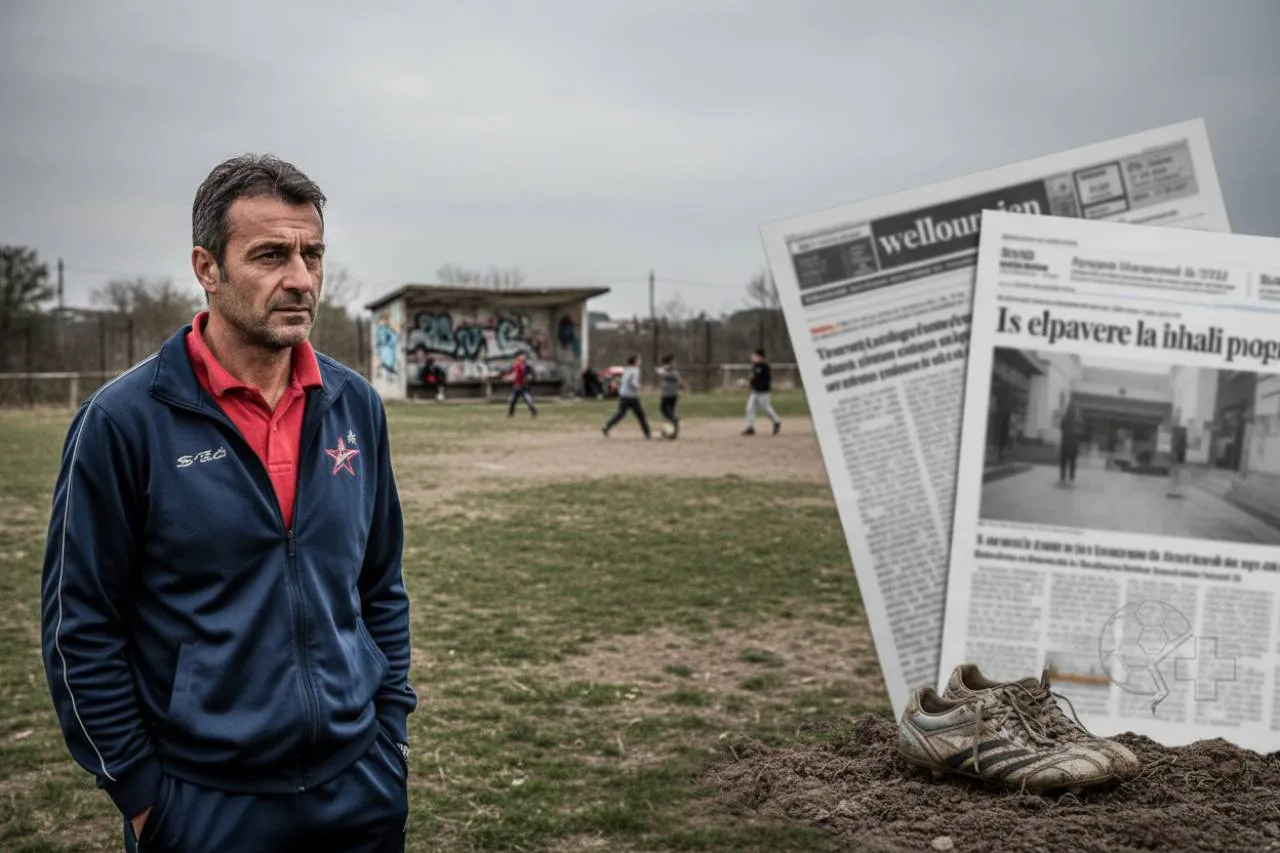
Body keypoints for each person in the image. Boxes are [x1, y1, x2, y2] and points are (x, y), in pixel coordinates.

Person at [39, 154, 416, 853]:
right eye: (271, 254)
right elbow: (79, 628)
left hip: (359, 784)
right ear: (206, 267)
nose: (300, 279)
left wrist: (388, 731)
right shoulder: (123, 422)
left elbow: (380, 584)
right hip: (202, 805)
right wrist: (144, 795)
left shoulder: (354, 404)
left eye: (313, 254)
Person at [602, 354, 651, 439]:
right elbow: (633, 382)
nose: (640, 362)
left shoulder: (626, 369)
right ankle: (647, 434)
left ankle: (607, 427)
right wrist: (639, 387)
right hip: (631, 396)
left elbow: (623, 381)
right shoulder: (636, 370)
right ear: (635, 361)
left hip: (623, 395)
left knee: (620, 413)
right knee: (640, 415)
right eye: (639, 360)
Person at [743, 348, 781, 436]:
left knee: (766, 408)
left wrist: (759, 385)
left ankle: (776, 421)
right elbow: (753, 378)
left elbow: (767, 380)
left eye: (755, 356)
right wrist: (750, 383)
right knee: (749, 408)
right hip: (755, 392)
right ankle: (750, 427)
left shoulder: (765, 367)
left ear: (760, 357)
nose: (752, 358)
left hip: (763, 392)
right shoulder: (754, 367)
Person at [656, 354, 685, 437]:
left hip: (668, 394)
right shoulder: (670, 371)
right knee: (669, 412)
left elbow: (664, 373)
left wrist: (662, 371)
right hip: (671, 394)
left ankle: (672, 423)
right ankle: (671, 432)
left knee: (665, 409)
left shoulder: (671, 372)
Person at [502, 351, 537, 418]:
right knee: (512, 401)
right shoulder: (515, 365)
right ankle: (511, 414)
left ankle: (534, 411)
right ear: (518, 357)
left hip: (523, 386)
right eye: (522, 356)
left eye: (524, 356)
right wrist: (507, 376)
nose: (524, 357)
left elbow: (530, 374)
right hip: (517, 386)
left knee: (528, 399)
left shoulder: (525, 366)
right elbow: (512, 373)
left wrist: (530, 377)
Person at [1059, 400, 1082, 486]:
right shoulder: (1078, 419)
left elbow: (1061, 427)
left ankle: (1062, 478)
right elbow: (1080, 432)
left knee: (1063, 463)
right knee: (1072, 463)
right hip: (1074, 445)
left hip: (1065, 444)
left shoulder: (1065, 418)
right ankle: (1071, 479)